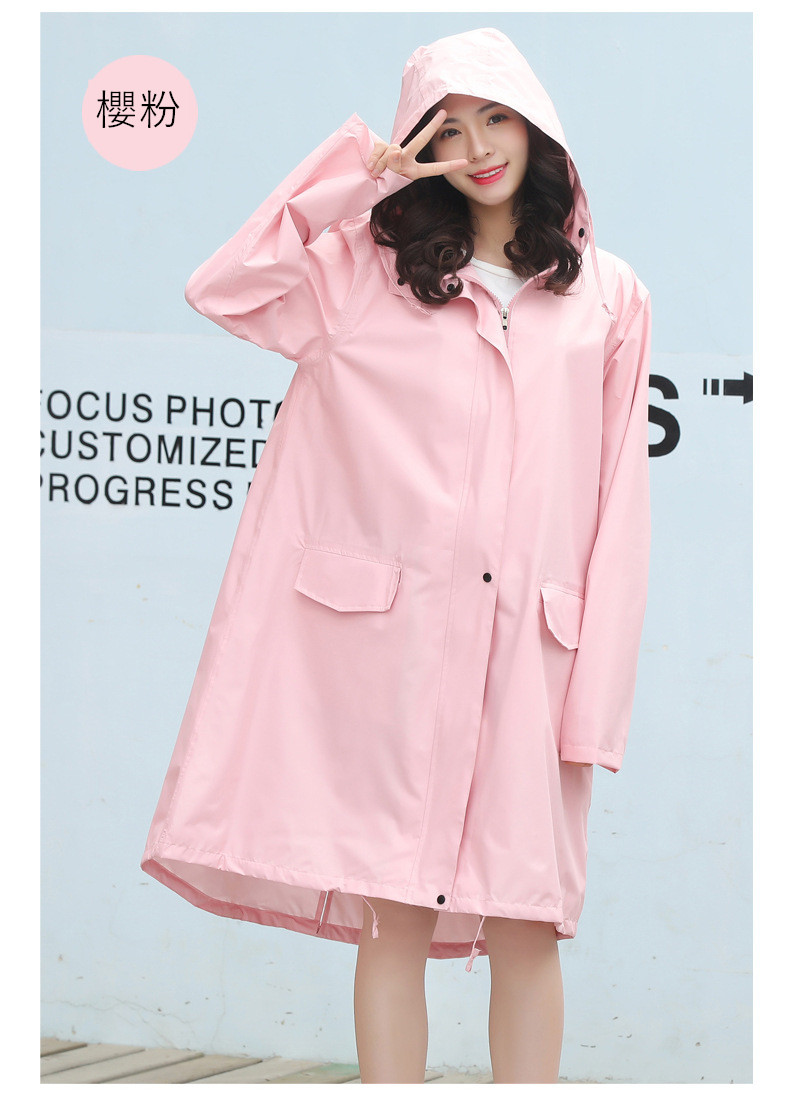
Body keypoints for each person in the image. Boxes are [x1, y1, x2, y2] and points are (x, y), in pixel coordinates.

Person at [142, 27, 652, 1084]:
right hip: (392, 655)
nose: (479, 147)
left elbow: (618, 501)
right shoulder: (361, 275)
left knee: (527, 920)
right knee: (393, 918)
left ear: (536, 125)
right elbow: (224, 287)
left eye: (496, 118)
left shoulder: (609, 296)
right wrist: (361, 174)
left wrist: (594, 702)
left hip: (529, 658)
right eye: (447, 130)